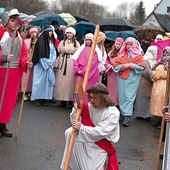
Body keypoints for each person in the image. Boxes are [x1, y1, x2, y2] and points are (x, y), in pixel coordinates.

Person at [60, 83, 120, 170]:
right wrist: (76, 110)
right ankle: (70, 167)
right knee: (70, 132)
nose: (91, 100)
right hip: (85, 139)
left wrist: (82, 128)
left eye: (94, 98)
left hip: (101, 144)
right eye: (90, 97)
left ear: (103, 98)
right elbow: (75, 122)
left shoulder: (112, 112)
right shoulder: (88, 106)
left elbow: (101, 131)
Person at [0, 8, 32, 137]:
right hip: (2, 72)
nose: (14, 23)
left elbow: (23, 54)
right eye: (12, 20)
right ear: (6, 20)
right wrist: (2, 57)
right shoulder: (1, 33)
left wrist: (26, 63)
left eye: (15, 21)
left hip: (14, 75)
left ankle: (2, 124)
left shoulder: (19, 36)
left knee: (9, 101)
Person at [112, 37, 145, 127]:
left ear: (134, 45)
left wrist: (131, 65)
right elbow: (115, 65)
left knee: (129, 97)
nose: (129, 46)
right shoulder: (121, 54)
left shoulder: (139, 56)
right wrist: (123, 66)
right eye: (127, 44)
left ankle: (127, 116)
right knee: (122, 96)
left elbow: (142, 67)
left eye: (131, 44)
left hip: (133, 78)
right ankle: (123, 114)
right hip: (122, 78)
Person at [53, 26, 80, 108]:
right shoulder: (62, 42)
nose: (69, 34)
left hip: (71, 63)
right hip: (62, 62)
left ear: (73, 34)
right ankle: (62, 100)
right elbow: (59, 53)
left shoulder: (76, 43)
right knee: (61, 82)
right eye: (67, 33)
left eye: (70, 33)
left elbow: (78, 54)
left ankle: (69, 100)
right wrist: (57, 64)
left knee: (70, 82)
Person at [31, 25, 57, 106]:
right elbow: (39, 55)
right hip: (41, 65)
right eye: (49, 31)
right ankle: (37, 98)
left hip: (48, 65)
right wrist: (46, 63)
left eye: (51, 31)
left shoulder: (51, 42)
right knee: (39, 82)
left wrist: (51, 62)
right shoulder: (40, 41)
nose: (50, 33)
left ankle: (45, 98)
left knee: (47, 83)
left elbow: (54, 53)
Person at [72, 33, 102, 102]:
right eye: (86, 40)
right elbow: (75, 59)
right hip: (80, 75)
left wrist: (83, 71)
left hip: (90, 75)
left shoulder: (95, 51)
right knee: (79, 90)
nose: (88, 41)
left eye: (89, 40)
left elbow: (93, 63)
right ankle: (78, 104)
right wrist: (77, 69)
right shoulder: (81, 50)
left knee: (87, 91)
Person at [134, 46, 158, 120]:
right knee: (144, 97)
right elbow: (147, 71)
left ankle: (144, 114)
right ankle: (143, 114)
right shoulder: (146, 59)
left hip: (147, 80)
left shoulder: (153, 60)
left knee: (146, 98)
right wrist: (153, 78)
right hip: (145, 80)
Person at [105, 37, 124, 109]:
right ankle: (111, 102)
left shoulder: (124, 54)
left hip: (120, 74)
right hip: (112, 74)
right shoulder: (111, 53)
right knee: (111, 89)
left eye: (119, 44)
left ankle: (118, 104)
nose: (117, 46)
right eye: (116, 44)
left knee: (118, 90)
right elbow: (106, 62)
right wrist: (110, 66)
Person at [21, 27, 39, 101]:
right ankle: (24, 92)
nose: (33, 34)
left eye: (35, 33)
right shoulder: (26, 41)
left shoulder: (38, 41)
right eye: (32, 33)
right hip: (27, 58)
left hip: (34, 60)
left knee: (33, 77)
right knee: (25, 77)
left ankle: (31, 93)